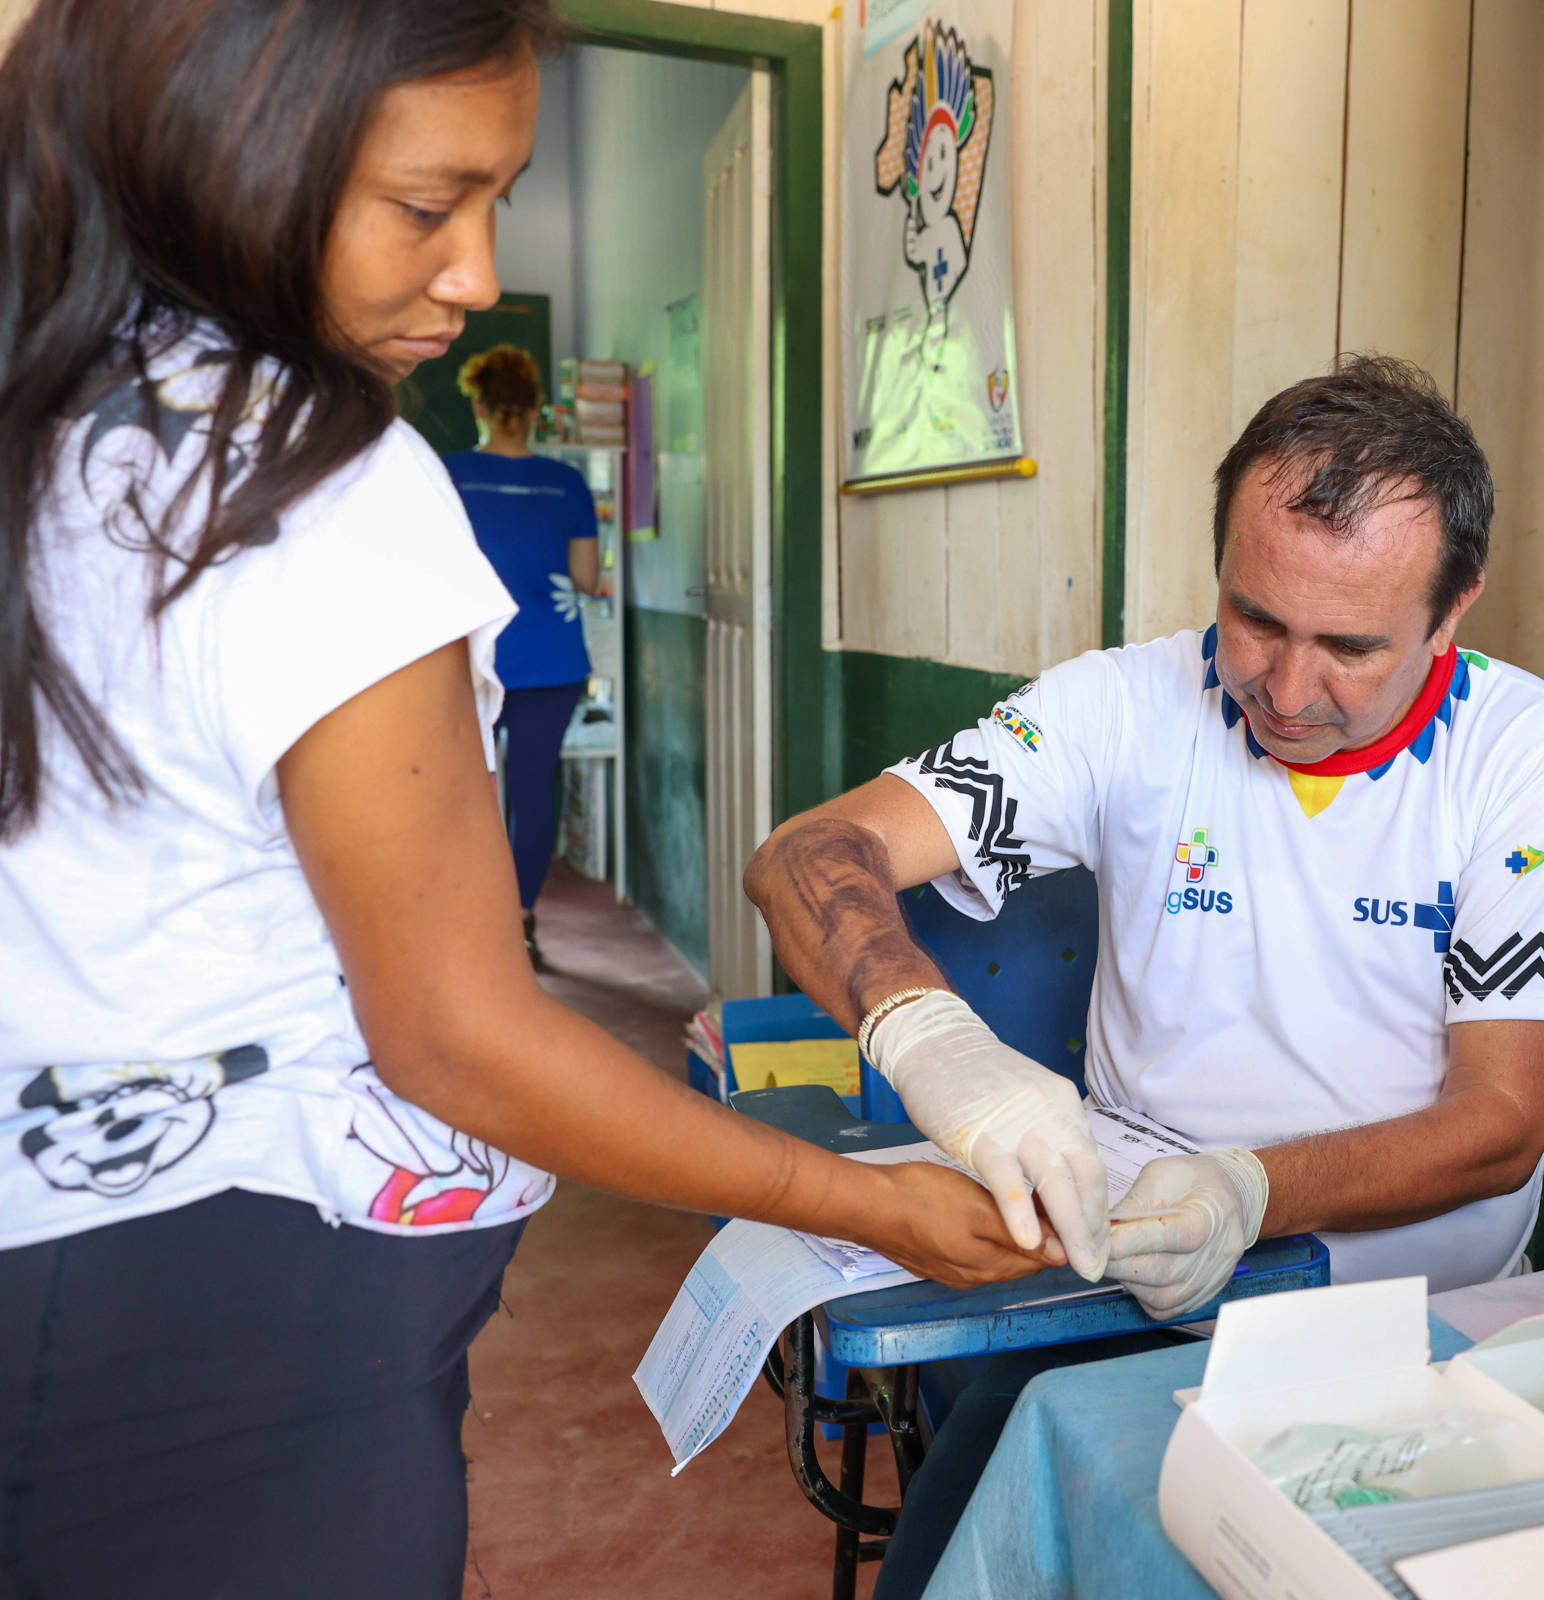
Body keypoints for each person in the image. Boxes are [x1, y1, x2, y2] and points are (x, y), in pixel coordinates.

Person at [0, 4, 1049, 1595]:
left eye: (498, 201)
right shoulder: (310, 473)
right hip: (236, 1355)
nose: (478, 270)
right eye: (429, 205)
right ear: (217, 159)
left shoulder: (77, 418)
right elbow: (455, 1033)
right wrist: (866, 1200)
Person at [745, 355, 1544, 1594]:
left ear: (1455, 606)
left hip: (1402, 1285)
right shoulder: (1125, 705)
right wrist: (928, 1040)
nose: (1284, 686)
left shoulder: (1531, 752)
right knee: (981, 1533)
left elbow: (1499, 1128)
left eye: (1351, 647)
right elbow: (805, 855)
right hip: (1122, 1272)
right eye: (1256, 617)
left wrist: (1249, 1192)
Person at [443, 344, 607, 965]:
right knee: (534, 792)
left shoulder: (448, 475)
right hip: (551, 658)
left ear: (479, 404)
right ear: (537, 408)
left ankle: (468, 923)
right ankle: (519, 921)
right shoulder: (567, 483)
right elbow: (587, 578)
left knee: (464, 793)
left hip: (466, 659)